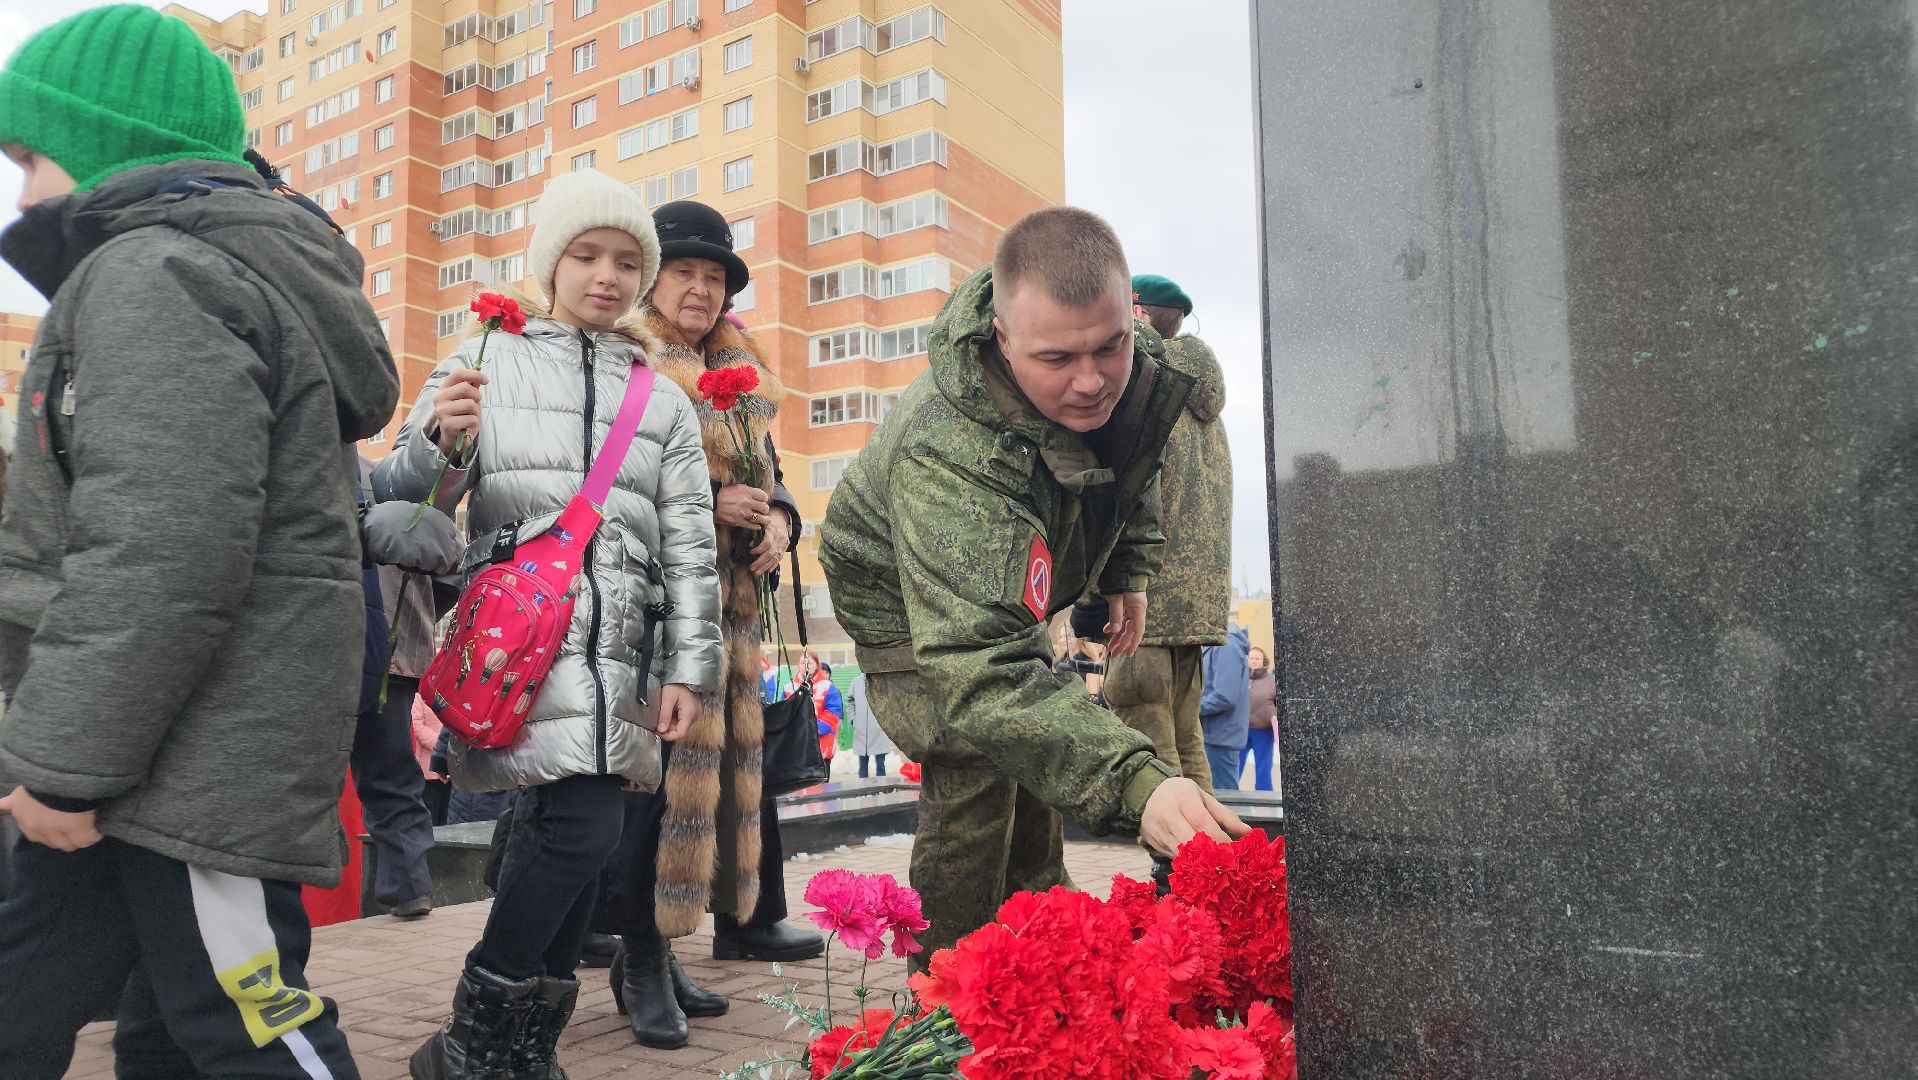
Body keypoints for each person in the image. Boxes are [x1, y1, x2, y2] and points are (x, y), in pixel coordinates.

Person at [0, 7, 400, 1076]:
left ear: (103, 140)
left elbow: (158, 548)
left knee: (247, 1028)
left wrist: (67, 768)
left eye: (28, 156)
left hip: (185, 773)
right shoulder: (198, 273)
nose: (23, 192)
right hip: (149, 750)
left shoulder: (154, 276)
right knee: (62, 1010)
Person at [818, 207, 1248, 966]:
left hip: (1005, 576)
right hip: (904, 605)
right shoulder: (947, 454)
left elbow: (1135, 459)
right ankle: (948, 985)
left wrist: (1126, 571)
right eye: (1057, 359)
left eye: (1109, 347)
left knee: (1030, 747)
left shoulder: (1130, 358)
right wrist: (1137, 784)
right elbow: (982, 674)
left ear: (1128, 317)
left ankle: (1042, 942)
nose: (1091, 382)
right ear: (1002, 337)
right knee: (978, 753)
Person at [376, 170, 722, 1079]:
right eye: (585, 255)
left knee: (581, 833)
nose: (605, 276)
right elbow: (408, 507)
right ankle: (474, 1038)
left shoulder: (663, 401)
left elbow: (690, 550)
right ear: (549, 263)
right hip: (523, 650)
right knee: (576, 828)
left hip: (629, 658)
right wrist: (434, 442)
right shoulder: (483, 359)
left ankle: (514, 1047)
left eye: (624, 262)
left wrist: (692, 670)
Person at [590, 198, 822, 1052]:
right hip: (648, 613)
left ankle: (674, 946)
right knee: (649, 797)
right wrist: (706, 502)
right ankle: (639, 957)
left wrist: (780, 520)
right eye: (683, 271)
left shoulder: (739, 371)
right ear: (653, 278)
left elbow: (773, 474)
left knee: (712, 794)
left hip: (727, 618)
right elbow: (602, 480)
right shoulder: (626, 356)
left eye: (714, 275)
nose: (699, 287)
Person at [1098, 274, 1231, 799]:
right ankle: (1209, 871)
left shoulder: (1151, 391)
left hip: (1145, 601)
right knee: (1185, 738)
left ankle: (1175, 875)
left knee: (1149, 747)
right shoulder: (1206, 412)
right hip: (1193, 610)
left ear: (1138, 315)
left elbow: (1126, 492)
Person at [355, 454, 450, 918]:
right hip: (401, 651)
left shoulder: (355, 477)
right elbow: (447, 563)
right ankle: (409, 884)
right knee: (392, 772)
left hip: (348, 649)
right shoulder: (393, 480)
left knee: (322, 775)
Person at [1200, 625, 1254, 791]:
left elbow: (1224, 696)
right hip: (1214, 736)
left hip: (1219, 738)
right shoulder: (1217, 643)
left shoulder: (1225, 646)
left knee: (1225, 800)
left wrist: (1190, 709)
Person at [1244, 646, 1278, 792]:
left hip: (1264, 732)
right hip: (1241, 732)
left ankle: (1265, 800)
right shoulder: (1240, 677)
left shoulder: (1272, 681)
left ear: (1264, 661)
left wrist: (1273, 715)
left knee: (1263, 769)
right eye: (1251, 658)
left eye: (1257, 658)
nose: (1253, 661)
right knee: (1235, 768)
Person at [848, 673, 893, 778]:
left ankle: (882, 790)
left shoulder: (882, 681)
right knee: (863, 767)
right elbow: (850, 702)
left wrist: (886, 722)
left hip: (879, 731)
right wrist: (853, 720)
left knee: (881, 766)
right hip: (862, 731)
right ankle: (863, 791)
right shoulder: (856, 681)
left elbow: (889, 703)